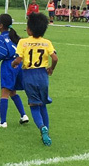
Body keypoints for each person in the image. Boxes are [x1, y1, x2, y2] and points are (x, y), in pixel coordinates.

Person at [12, 13, 58, 146]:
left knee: (34, 105)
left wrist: (14, 64)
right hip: (42, 76)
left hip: (29, 76)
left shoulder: (23, 42)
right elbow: (55, 58)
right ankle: (47, 132)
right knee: (43, 104)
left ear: (29, 29)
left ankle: (41, 127)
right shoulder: (47, 42)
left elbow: (19, 59)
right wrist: (51, 69)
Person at [0, 14, 29, 127]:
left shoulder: (1, 38)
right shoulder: (13, 36)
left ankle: (3, 122)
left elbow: (0, 54)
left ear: (1, 25)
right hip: (19, 65)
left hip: (9, 65)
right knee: (13, 92)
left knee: (4, 93)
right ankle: (24, 115)